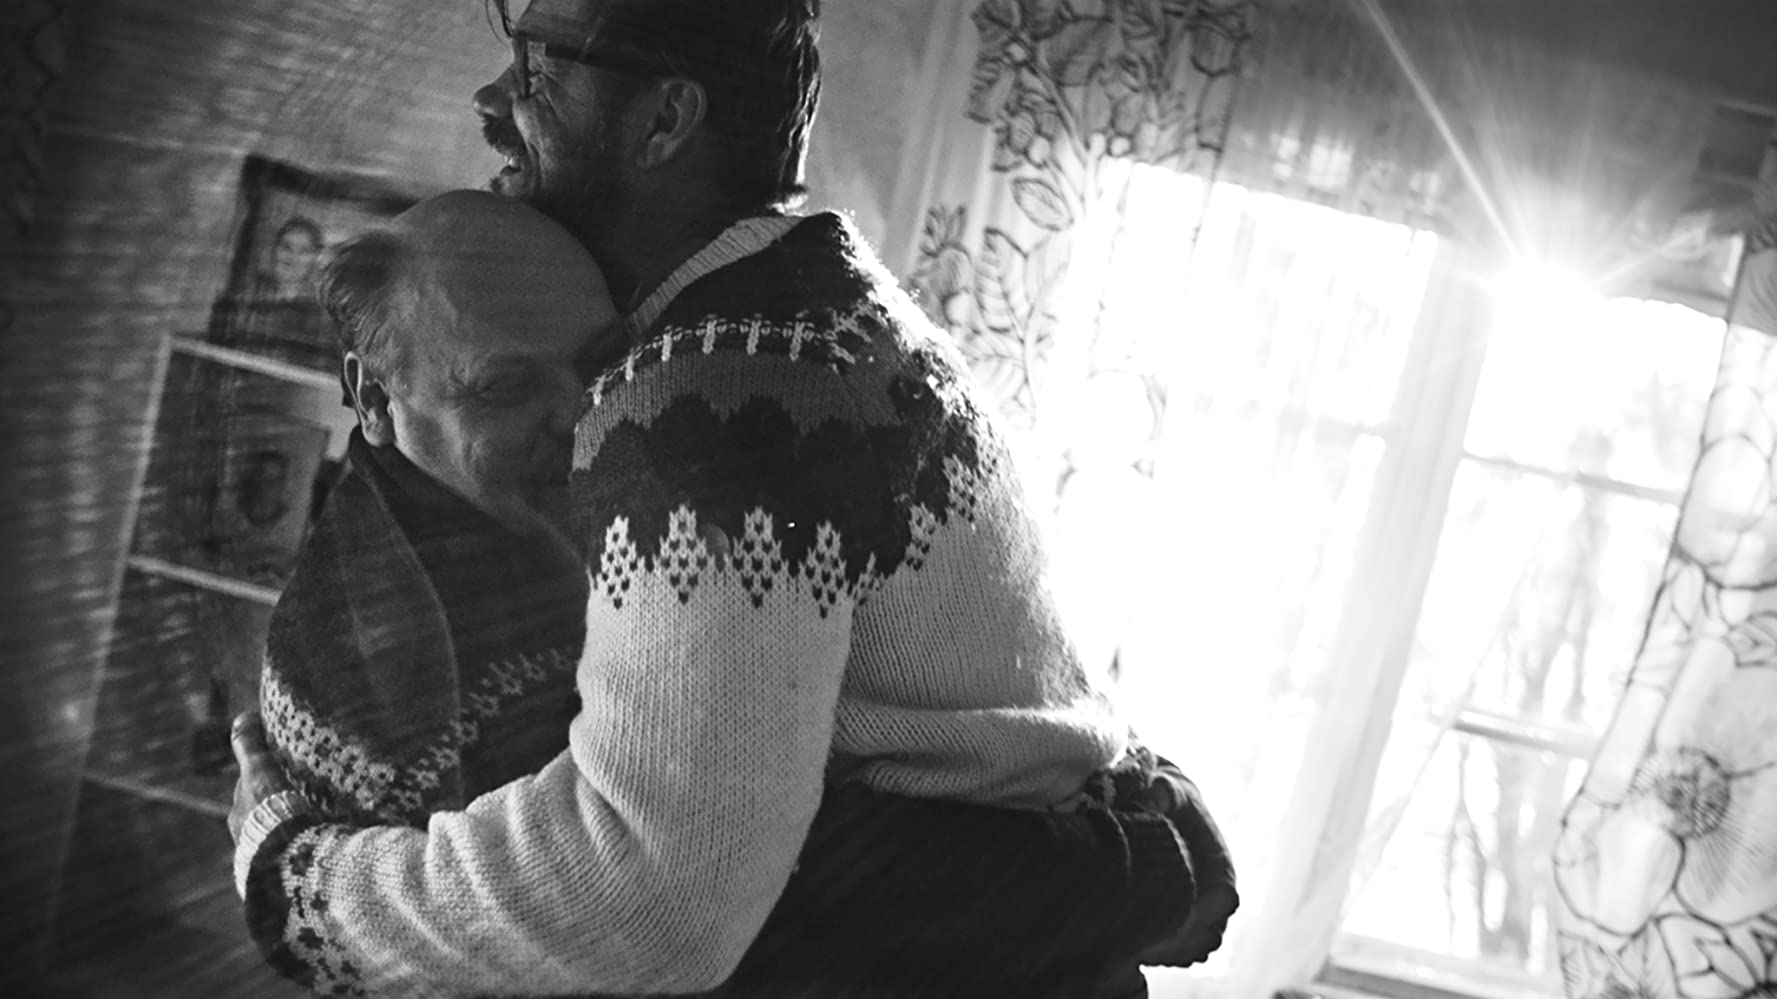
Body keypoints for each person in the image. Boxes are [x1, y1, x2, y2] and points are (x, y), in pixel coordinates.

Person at [228, 2, 1239, 996]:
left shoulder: (710, 393)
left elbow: (648, 902)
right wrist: (1140, 847)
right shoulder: (827, 307)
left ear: (665, 118)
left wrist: (297, 882)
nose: (494, 100)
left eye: (538, 67)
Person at [251, 190, 616, 841]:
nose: (584, 415)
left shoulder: (496, 523)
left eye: (602, 363)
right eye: (505, 387)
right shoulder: (417, 690)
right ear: (373, 399)